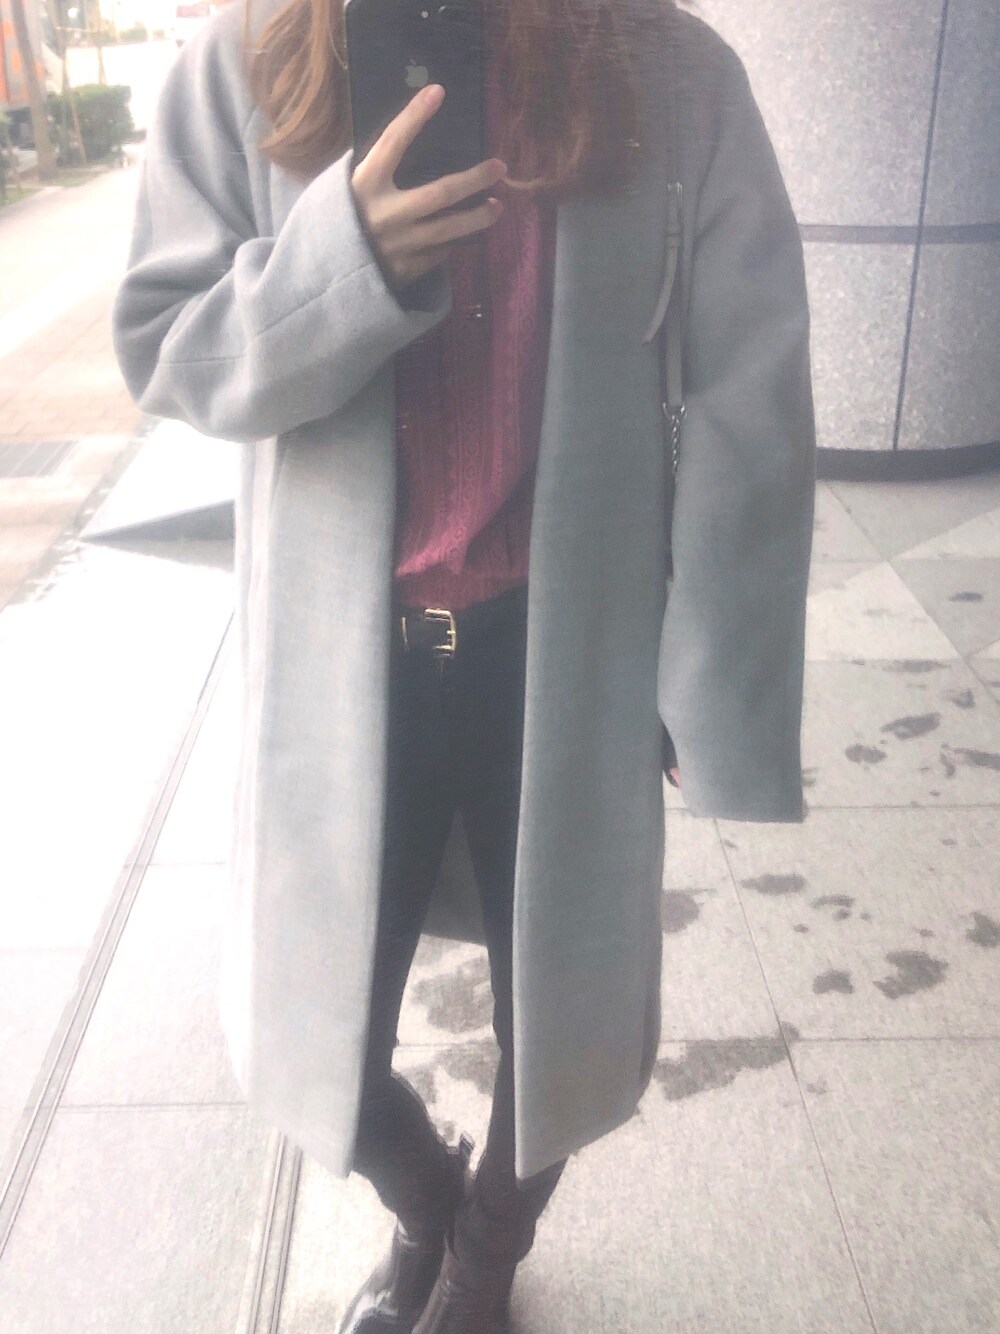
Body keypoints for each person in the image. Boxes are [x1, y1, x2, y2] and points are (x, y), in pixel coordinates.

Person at [111, 0, 816, 1327]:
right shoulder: (246, 61)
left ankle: (486, 1257)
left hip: (565, 653)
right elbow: (169, 346)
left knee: (567, 1027)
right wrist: (344, 260)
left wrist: (711, 669)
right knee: (312, 1035)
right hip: (341, 666)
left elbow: (751, 389)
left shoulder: (667, 72)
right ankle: (428, 1200)